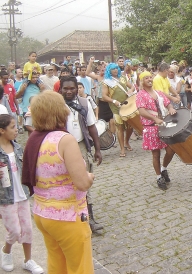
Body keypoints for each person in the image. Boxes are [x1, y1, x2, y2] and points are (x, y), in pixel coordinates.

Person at [22, 91, 95, 273]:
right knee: (80, 267)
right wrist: (89, 177)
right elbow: (82, 183)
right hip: (67, 215)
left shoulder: (34, 138)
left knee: (57, 264)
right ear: (59, 111)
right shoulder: (65, 140)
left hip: (42, 213)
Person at [0, 114, 44, 273]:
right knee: (14, 230)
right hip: (6, 198)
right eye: (12, 127)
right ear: (2, 131)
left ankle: (28, 260)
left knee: (27, 229)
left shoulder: (17, 147)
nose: (16, 130)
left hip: (22, 194)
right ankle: (6, 250)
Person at [60, 77, 103, 232]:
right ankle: (69, 217)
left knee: (85, 182)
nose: (70, 91)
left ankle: (89, 219)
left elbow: (92, 127)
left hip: (81, 146)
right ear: (61, 89)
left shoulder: (84, 103)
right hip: (62, 148)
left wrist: (97, 149)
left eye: (73, 88)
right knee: (66, 182)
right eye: (66, 88)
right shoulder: (56, 105)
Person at [136, 71, 177, 190]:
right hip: (151, 127)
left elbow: (168, 103)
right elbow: (142, 111)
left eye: (150, 77)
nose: (149, 79)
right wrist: (155, 119)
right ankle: (159, 177)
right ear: (142, 81)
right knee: (156, 154)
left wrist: (171, 109)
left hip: (164, 124)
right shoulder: (140, 95)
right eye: (146, 78)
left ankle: (164, 169)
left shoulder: (158, 93)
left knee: (171, 150)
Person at [102, 63, 136, 157]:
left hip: (127, 105)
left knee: (130, 126)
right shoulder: (107, 82)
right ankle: (121, 149)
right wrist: (113, 101)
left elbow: (132, 86)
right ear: (109, 70)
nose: (115, 70)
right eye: (113, 69)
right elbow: (104, 96)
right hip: (116, 107)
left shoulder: (123, 78)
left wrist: (131, 90)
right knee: (119, 127)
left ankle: (126, 142)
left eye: (116, 68)